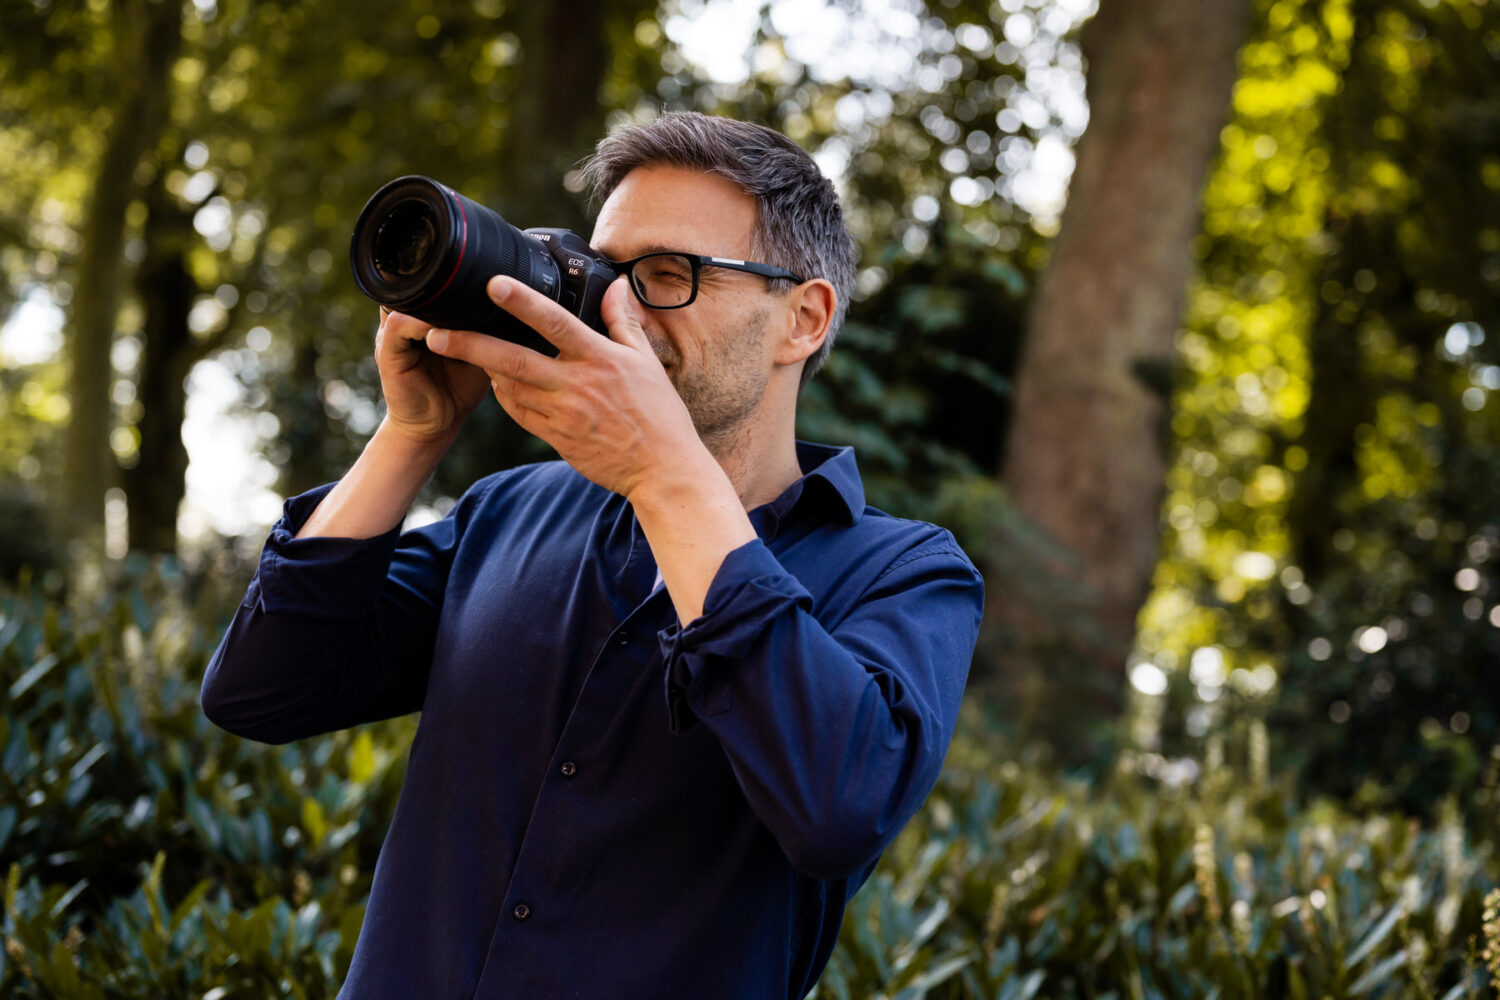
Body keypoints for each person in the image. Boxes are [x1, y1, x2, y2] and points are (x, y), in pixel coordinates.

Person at [201, 111, 984, 1000]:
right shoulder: (511, 509)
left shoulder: (911, 575)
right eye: (608, 270)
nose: (620, 310)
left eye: (666, 276)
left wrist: (665, 476)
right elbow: (260, 691)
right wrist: (413, 433)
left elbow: (838, 808)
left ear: (802, 319)